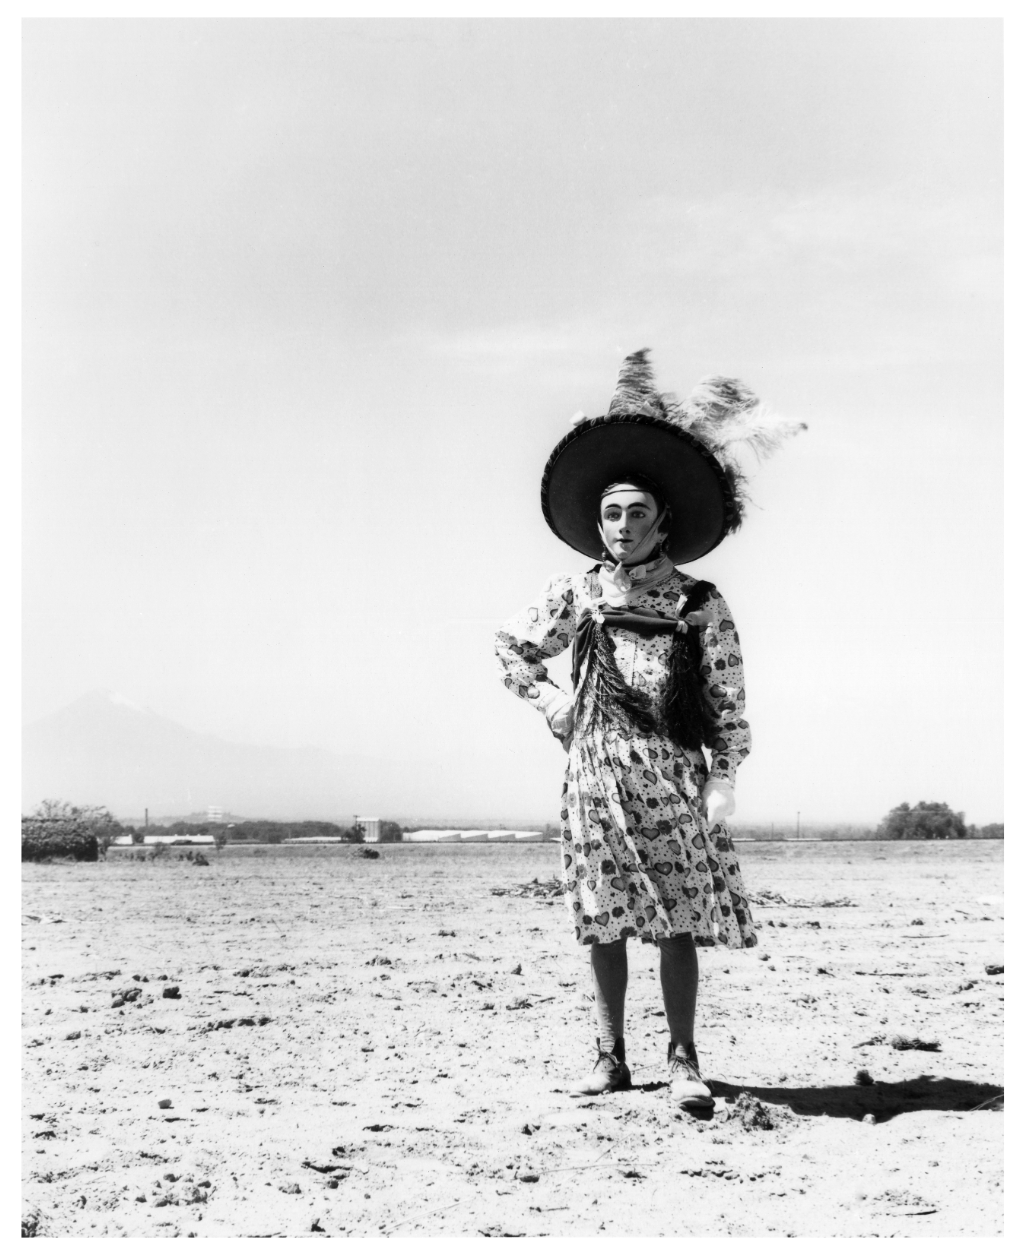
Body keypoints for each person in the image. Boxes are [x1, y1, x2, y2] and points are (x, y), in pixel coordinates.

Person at [495, 349, 805, 1109]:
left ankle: (684, 1059)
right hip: (594, 772)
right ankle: (609, 1057)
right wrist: (549, 703)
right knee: (601, 915)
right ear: (596, 523)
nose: (623, 526)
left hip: (671, 777)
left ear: (663, 519)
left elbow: (726, 695)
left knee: (676, 920)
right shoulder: (575, 594)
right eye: (610, 513)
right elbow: (510, 647)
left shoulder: (699, 602)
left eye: (637, 513)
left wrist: (725, 774)